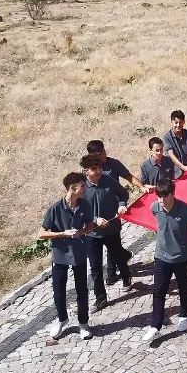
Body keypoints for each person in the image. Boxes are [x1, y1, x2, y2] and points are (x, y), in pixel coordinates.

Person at [141, 179, 187, 342]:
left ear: (173, 194)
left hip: (182, 256)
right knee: (159, 291)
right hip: (161, 256)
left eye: (165, 196)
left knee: (184, 287)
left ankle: (185, 315)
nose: (162, 200)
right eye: (159, 197)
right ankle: (155, 326)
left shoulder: (185, 209)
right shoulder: (155, 208)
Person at [40, 172, 96, 340]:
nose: (85, 189)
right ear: (73, 188)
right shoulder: (56, 208)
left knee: (82, 290)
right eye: (82, 186)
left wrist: (80, 232)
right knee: (59, 291)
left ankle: (83, 323)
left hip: (79, 252)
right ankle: (62, 320)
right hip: (60, 254)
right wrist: (62, 234)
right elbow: (41, 233)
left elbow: (90, 225)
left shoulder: (84, 205)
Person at [79, 154, 132, 312]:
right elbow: (78, 210)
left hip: (111, 230)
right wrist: (95, 220)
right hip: (91, 234)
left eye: (100, 168)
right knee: (95, 268)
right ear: (85, 171)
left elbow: (123, 194)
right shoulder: (81, 188)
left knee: (118, 257)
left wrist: (122, 205)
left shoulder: (109, 181)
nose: (98, 171)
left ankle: (126, 275)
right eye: (94, 169)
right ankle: (100, 297)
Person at [85, 139, 142, 283]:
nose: (103, 155)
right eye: (99, 154)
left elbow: (128, 177)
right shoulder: (86, 174)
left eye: (103, 151)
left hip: (113, 212)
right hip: (94, 222)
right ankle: (121, 259)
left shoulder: (113, 164)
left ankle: (112, 273)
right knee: (110, 251)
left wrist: (141, 187)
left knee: (112, 245)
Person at [162, 110, 187, 178]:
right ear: (172, 122)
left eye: (180, 122)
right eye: (176, 122)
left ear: (184, 122)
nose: (178, 125)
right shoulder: (167, 137)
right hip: (174, 172)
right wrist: (182, 167)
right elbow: (171, 155)